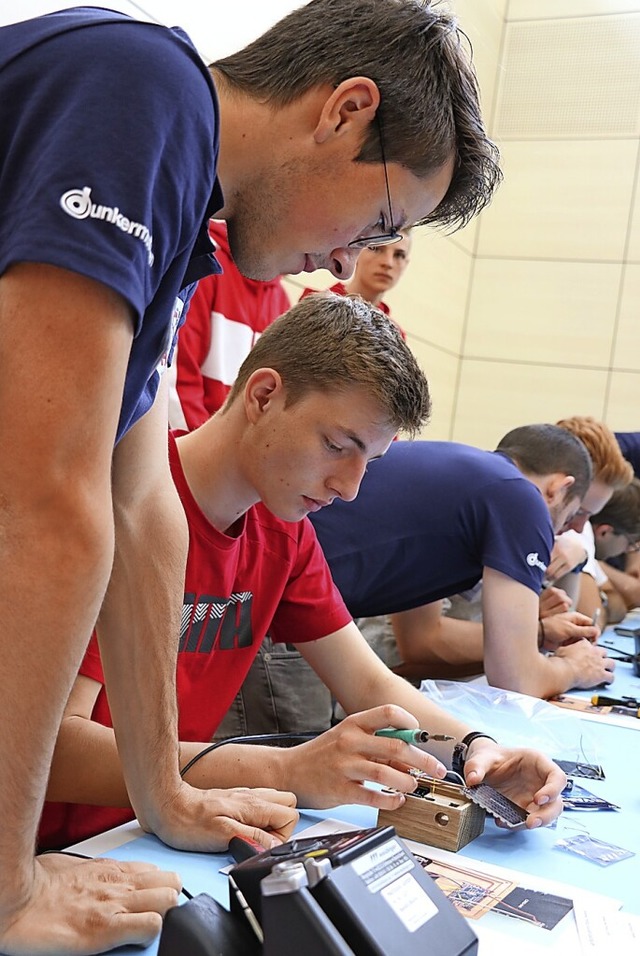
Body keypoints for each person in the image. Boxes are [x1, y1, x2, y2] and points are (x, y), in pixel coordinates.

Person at [0, 0, 502, 951]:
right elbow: (50, 503)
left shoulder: (182, 233)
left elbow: (144, 510)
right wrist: (7, 886)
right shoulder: (142, 86)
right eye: (383, 217)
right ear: (344, 110)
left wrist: (170, 793)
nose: (356, 258)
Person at [41, 295, 565, 854]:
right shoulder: (125, 504)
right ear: (264, 396)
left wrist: (476, 748)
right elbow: (53, 750)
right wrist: (286, 769)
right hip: (43, 848)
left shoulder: (282, 532)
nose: (350, 488)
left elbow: (368, 683)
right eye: (337, 446)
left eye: (370, 462)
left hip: (149, 835)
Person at [305, 426, 614, 700]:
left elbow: (421, 639)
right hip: (294, 605)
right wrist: (573, 669)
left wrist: (537, 633)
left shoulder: (469, 483)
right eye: (574, 515)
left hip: (295, 601)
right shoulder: (521, 497)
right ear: (558, 488)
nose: (571, 530)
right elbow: (516, 679)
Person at [168, 220, 291, 430]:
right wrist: (202, 456)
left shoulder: (282, 302)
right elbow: (178, 378)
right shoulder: (207, 264)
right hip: (188, 449)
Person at [553, 416, 634, 626]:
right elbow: (588, 622)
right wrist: (539, 630)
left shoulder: (574, 534)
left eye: (589, 515)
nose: (580, 528)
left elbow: (591, 622)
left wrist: (579, 562)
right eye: (578, 512)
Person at [300, 229, 413, 332]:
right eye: (376, 248)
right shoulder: (312, 309)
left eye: (399, 255)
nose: (388, 263)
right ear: (356, 251)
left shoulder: (395, 334)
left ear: (406, 264)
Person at [590, 479, 640, 617]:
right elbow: (591, 620)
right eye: (631, 543)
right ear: (604, 532)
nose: (627, 551)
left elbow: (618, 607)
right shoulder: (577, 546)